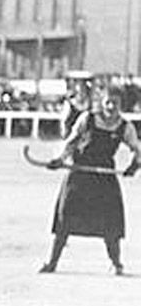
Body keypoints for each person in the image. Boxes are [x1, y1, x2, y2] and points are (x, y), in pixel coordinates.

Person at [40, 86, 141, 275]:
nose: (111, 106)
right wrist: (60, 159)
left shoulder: (125, 127)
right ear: (101, 103)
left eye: (115, 103)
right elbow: (71, 141)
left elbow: (138, 149)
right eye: (107, 102)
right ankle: (51, 262)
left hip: (105, 178)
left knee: (110, 223)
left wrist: (135, 165)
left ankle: (116, 263)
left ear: (121, 105)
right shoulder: (87, 119)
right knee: (65, 219)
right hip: (79, 175)